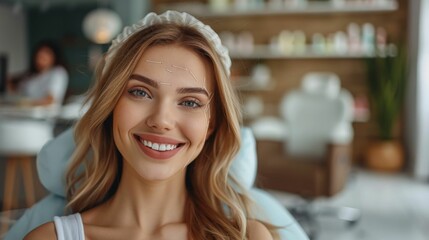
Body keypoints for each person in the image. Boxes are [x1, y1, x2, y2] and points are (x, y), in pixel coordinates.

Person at [24, 11, 278, 239]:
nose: (161, 120)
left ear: (211, 125)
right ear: (111, 106)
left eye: (190, 102)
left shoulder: (248, 236)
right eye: (140, 92)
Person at [7, 40, 68, 107]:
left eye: (46, 53)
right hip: (25, 113)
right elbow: (16, 91)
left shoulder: (58, 72)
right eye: (39, 53)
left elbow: (49, 101)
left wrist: (25, 103)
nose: (41, 56)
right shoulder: (31, 76)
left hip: (45, 115)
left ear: (54, 56)